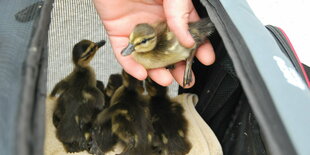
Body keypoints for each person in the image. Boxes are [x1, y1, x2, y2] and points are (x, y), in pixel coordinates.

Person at [93, 0, 215, 88]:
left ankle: (187, 63)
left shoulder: (163, 47)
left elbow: (191, 39)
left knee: (189, 41)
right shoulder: (151, 49)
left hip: (191, 35)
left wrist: (188, 64)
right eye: (131, 43)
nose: (130, 48)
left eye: (142, 42)